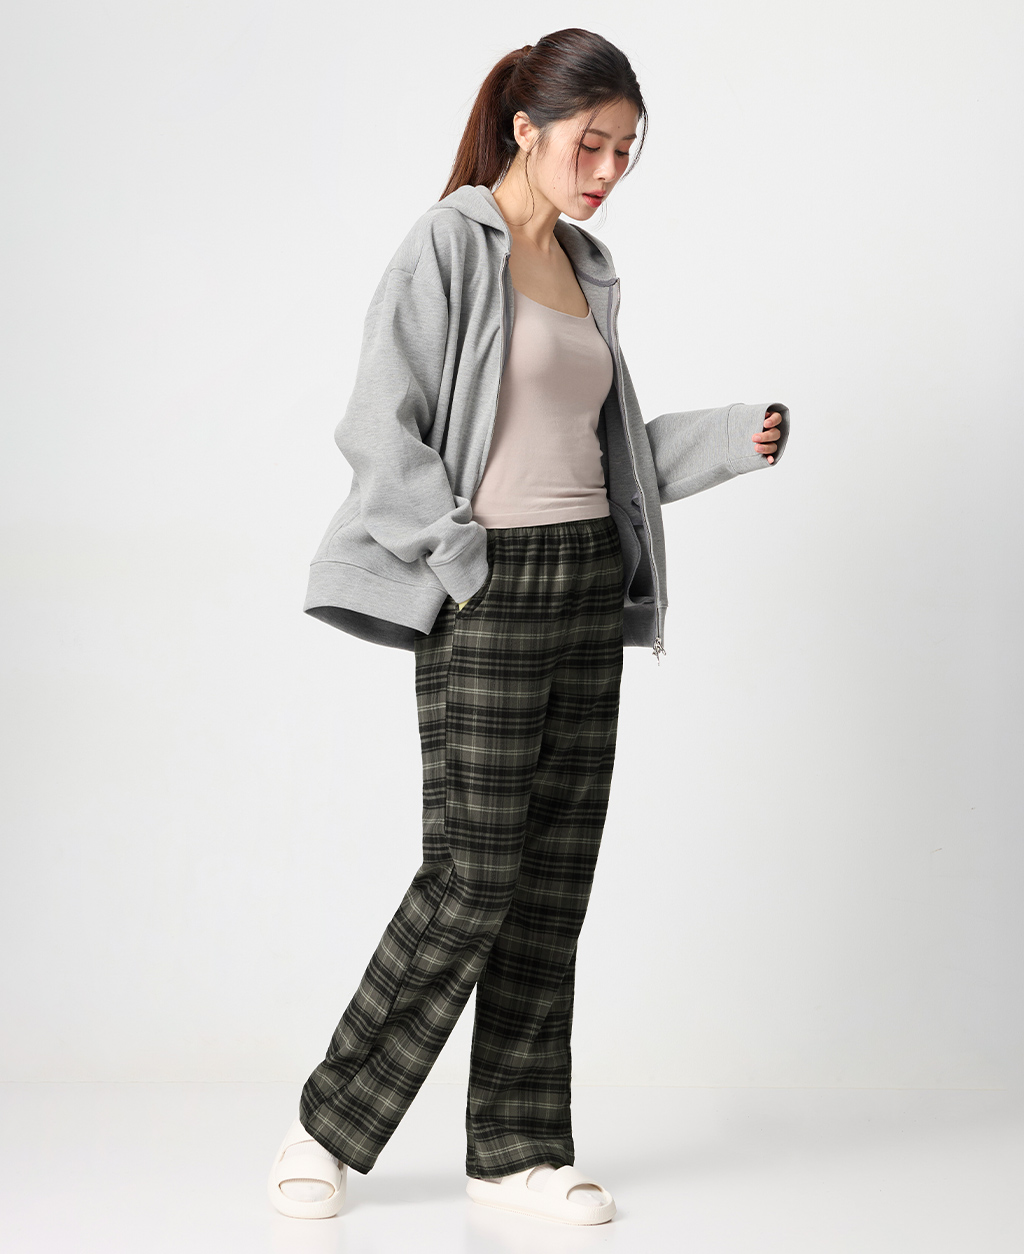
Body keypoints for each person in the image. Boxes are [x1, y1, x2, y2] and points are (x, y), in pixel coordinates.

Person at [266, 27, 790, 1226]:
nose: (607, 170)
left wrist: (730, 437)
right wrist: (460, 559)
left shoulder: (586, 267)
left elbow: (604, 459)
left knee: (552, 880)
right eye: (589, 144)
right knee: (471, 875)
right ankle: (327, 1126)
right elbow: (377, 425)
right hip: (487, 584)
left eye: (625, 151)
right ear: (525, 128)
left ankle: (515, 1148)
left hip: (587, 580)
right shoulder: (450, 245)